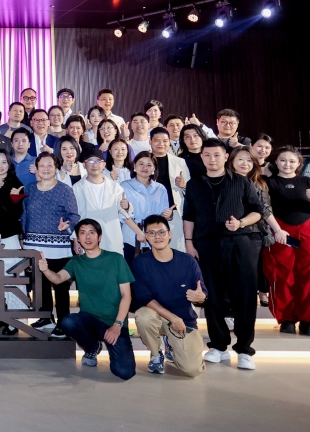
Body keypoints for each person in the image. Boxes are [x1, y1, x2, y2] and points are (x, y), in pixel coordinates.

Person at [183, 139, 265, 370]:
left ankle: (244, 349)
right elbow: (189, 216)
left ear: (226, 156)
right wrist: (189, 243)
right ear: (202, 157)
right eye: (207, 155)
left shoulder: (241, 181)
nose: (212, 159)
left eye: (217, 155)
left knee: (245, 295)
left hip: (239, 244)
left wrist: (241, 223)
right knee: (212, 296)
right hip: (207, 244)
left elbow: (257, 211)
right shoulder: (194, 184)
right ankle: (218, 346)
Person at [40, 218, 136, 381]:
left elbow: (126, 295)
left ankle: (112, 344)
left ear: (99, 237)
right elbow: (58, 279)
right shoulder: (76, 262)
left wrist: (117, 325)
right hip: (90, 320)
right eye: (83, 233)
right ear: (78, 239)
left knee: (124, 372)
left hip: (115, 323)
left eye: (92, 232)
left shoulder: (116, 259)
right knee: (68, 322)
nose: (88, 237)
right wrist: (45, 270)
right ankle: (92, 347)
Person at [131, 215, 207, 377]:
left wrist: (200, 297)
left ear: (169, 234)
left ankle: (171, 345)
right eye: (151, 233)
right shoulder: (140, 263)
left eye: (161, 232)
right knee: (143, 315)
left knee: (192, 370)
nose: (157, 237)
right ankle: (156, 354)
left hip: (183, 321)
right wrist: (172, 318)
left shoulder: (187, 261)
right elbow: (144, 298)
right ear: (146, 236)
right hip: (157, 318)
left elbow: (203, 293)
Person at [22, 152, 80, 337]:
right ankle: (46, 317)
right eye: (42, 166)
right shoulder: (30, 188)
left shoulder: (65, 190)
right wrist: (22, 236)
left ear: (56, 168)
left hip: (58, 246)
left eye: (50, 165)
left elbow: (74, 215)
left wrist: (67, 225)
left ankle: (64, 322)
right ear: (37, 169)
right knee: (40, 285)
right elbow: (24, 213)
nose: (46, 169)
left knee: (60, 286)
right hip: (33, 245)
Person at [264, 146, 310, 335]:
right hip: (280, 231)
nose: (287, 164)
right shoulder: (268, 182)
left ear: (299, 163)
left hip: (306, 230)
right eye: (283, 160)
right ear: (276, 162)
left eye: (292, 161)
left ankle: (307, 319)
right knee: (282, 275)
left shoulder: (306, 181)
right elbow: (263, 208)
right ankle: (286, 318)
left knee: (307, 275)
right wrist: (277, 230)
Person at [0, 151, 27, 334]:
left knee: (11, 278)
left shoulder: (16, 185)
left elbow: (17, 214)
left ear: (9, 164)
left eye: (4, 162)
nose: (0, 166)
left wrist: (15, 199)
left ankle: (14, 320)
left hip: (8, 237)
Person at [74, 154, 134, 257]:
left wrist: (127, 206)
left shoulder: (115, 187)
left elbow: (124, 211)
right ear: (84, 165)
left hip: (112, 236)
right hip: (88, 239)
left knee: (114, 265)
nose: (94, 165)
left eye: (98, 161)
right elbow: (75, 216)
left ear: (104, 165)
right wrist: (76, 239)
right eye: (90, 161)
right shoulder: (77, 188)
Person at [120, 152, 170, 263]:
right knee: (132, 270)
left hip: (155, 238)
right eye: (141, 164)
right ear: (134, 166)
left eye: (149, 165)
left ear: (154, 169)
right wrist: (139, 232)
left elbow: (163, 215)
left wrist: (167, 215)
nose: (145, 167)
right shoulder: (124, 186)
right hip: (131, 237)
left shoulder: (160, 188)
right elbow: (123, 214)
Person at [148, 127, 190, 252]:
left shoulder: (179, 162)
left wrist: (183, 185)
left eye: (165, 141)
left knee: (177, 249)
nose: (161, 144)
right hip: (150, 212)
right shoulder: (144, 161)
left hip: (174, 212)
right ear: (150, 141)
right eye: (157, 140)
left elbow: (189, 190)